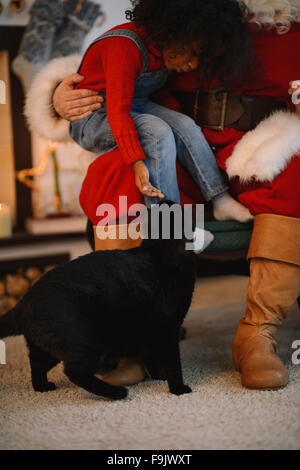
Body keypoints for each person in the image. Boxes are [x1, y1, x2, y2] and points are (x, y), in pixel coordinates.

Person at [25, 0, 300, 390]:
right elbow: (118, 57)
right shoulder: (176, 16)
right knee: (117, 177)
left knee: (293, 175)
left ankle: (257, 334)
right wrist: (60, 93)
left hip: (259, 141)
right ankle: (131, 340)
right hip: (175, 142)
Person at [68, 0, 253, 224]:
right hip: (94, 116)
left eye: (199, 58)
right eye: (191, 52)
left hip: (136, 105)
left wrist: (177, 119)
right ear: (172, 31)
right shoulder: (124, 47)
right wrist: (136, 162)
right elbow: (118, 111)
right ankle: (165, 222)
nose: (193, 65)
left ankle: (220, 199)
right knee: (157, 131)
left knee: (185, 125)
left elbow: (156, 94)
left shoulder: (165, 50)